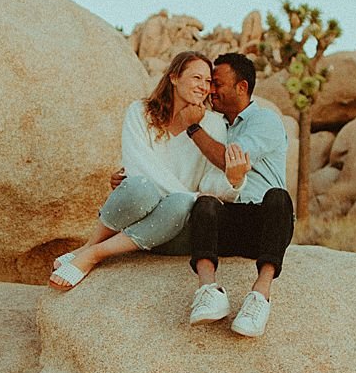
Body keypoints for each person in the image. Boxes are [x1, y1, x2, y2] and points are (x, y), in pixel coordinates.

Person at [49, 51, 248, 290]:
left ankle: (92, 255)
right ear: (174, 78)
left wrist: (232, 182)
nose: (204, 87)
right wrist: (191, 196)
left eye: (208, 81)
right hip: (142, 216)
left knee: (179, 204)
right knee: (137, 186)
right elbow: (139, 167)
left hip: (176, 227)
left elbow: (210, 184)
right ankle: (86, 246)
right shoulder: (140, 112)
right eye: (197, 78)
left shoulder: (213, 124)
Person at [180, 52, 294, 338]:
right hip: (227, 221)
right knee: (204, 203)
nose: (210, 90)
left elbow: (230, 160)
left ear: (241, 87)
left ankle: (260, 294)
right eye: (208, 82)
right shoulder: (216, 124)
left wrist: (193, 128)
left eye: (217, 83)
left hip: (263, 223)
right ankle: (209, 290)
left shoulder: (264, 120)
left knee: (279, 198)